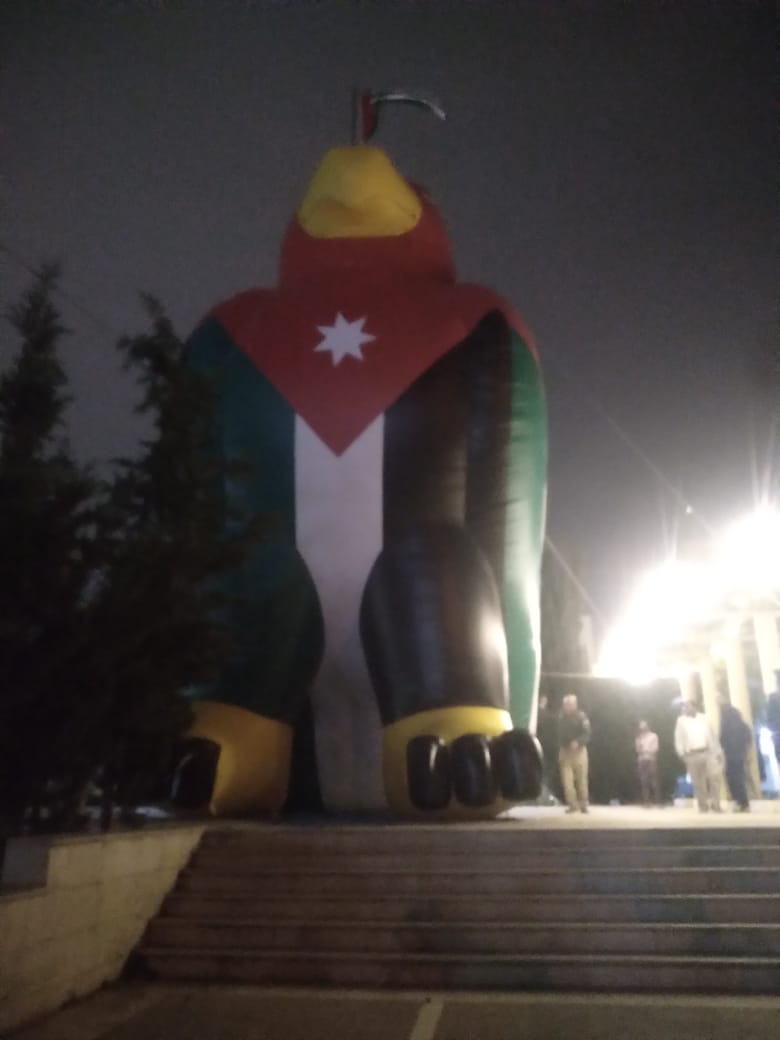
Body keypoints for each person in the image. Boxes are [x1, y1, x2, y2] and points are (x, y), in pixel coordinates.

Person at [674, 699, 723, 812]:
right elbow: (678, 738)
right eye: (684, 707)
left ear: (694, 707)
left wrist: (718, 752)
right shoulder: (681, 721)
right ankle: (703, 806)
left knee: (714, 778)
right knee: (698, 782)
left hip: (708, 752)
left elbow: (712, 736)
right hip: (691, 754)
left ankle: (716, 804)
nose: (685, 709)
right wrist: (681, 753)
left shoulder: (704, 718)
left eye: (687, 706)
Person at [558, 694, 591, 813]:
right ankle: (572, 804)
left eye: (570, 703)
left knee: (581, 779)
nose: (568, 706)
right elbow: (558, 733)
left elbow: (587, 733)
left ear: (575, 704)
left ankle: (584, 803)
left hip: (579, 751)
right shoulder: (561, 717)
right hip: (565, 751)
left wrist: (578, 742)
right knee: (567, 781)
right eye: (566, 704)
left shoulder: (582, 717)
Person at [718, 694, 752, 812]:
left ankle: (738, 801)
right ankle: (744, 802)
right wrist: (747, 754)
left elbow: (721, 740)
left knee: (732, 779)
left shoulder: (726, 725)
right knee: (740, 779)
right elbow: (748, 741)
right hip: (740, 755)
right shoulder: (744, 726)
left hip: (730, 755)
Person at [535, 694, 560, 805]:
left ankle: (541, 798)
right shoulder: (550, 717)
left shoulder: (535, 715)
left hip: (538, 747)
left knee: (541, 775)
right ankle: (542, 798)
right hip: (548, 748)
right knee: (544, 775)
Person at [635, 720, 660, 807]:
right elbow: (637, 750)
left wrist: (645, 750)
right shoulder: (639, 737)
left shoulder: (653, 736)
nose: (642, 728)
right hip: (641, 760)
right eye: (641, 726)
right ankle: (646, 802)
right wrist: (641, 748)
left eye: (644, 726)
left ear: (648, 726)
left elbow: (655, 748)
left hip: (651, 760)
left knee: (654, 781)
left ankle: (658, 801)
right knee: (644, 781)